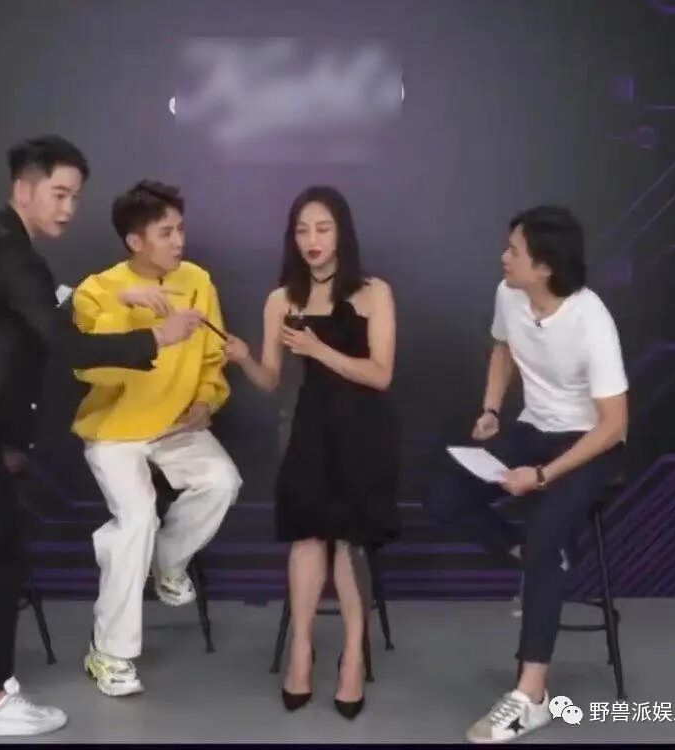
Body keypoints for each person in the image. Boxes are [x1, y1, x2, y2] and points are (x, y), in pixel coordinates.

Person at [0, 137, 202, 737]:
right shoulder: (16, 257)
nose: (68, 209)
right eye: (59, 194)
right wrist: (155, 338)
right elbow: (66, 345)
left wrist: (119, 294)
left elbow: (35, 302)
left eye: (75, 197)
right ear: (24, 189)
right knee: (3, 547)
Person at [423, 206, 628, 743]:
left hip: (589, 443)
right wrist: (491, 409)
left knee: (544, 535)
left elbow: (614, 425)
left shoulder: (591, 320)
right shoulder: (509, 294)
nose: (503, 257)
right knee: (443, 497)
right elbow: (503, 348)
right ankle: (537, 555)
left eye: (513, 251)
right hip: (533, 428)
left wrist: (540, 477)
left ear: (545, 266)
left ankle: (531, 697)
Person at [225, 185, 400, 719]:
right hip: (307, 431)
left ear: (342, 232)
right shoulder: (281, 300)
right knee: (305, 537)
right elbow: (271, 379)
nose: (312, 240)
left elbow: (380, 374)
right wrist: (243, 358)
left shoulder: (373, 292)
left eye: (322, 228)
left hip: (362, 434)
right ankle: (300, 650)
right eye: (302, 230)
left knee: (347, 540)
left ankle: (352, 656)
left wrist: (319, 349)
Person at [71, 180, 241, 697]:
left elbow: (212, 357)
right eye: (166, 233)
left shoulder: (197, 281)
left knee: (222, 480)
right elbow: (88, 369)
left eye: (180, 229)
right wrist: (126, 306)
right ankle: (109, 654)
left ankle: (167, 562)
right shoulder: (97, 290)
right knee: (136, 520)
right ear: (134, 241)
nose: (179, 241)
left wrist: (207, 399)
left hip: (175, 425)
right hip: (115, 430)